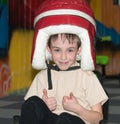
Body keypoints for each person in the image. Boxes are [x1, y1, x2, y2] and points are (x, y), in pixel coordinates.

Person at [20, 0, 108, 124]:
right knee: (32, 102)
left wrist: (78, 109)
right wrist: (43, 105)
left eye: (70, 50)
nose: (63, 57)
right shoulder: (42, 77)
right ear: (49, 49)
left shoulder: (87, 77)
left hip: (76, 121)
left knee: (65, 119)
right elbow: (30, 111)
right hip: (52, 120)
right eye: (57, 50)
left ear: (79, 50)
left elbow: (98, 118)